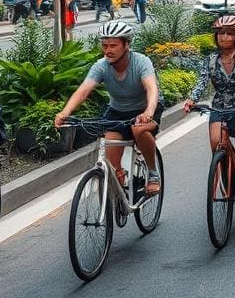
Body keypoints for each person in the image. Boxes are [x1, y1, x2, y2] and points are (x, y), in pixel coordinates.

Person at [56, 21, 163, 194]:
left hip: (144, 109)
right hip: (118, 111)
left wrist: (149, 111)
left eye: (113, 45)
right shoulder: (101, 65)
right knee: (112, 160)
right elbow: (83, 91)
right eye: (104, 46)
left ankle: (152, 172)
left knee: (139, 130)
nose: (108, 50)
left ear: (126, 45)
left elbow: (151, 88)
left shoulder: (141, 62)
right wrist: (65, 112)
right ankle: (118, 185)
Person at [184, 15, 235, 175]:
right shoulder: (210, 59)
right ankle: (232, 179)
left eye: (229, 33)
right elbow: (202, 81)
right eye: (221, 33)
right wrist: (192, 99)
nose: (224, 37)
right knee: (216, 145)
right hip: (220, 108)